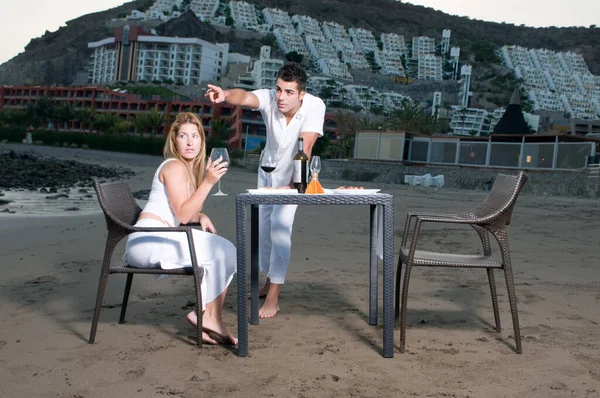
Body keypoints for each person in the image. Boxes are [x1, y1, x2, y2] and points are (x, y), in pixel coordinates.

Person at [205, 63, 326, 318]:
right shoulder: (271, 98)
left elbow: (307, 145)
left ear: (301, 94)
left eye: (289, 92)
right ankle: (266, 284)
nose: (281, 97)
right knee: (263, 233)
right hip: (267, 173)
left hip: (294, 178)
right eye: (279, 89)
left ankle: (273, 298)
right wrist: (225, 95)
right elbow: (246, 97)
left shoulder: (315, 106)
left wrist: (294, 186)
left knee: (281, 231)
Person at [124, 112, 237, 345]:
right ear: (174, 140)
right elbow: (184, 215)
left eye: (195, 136)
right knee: (223, 250)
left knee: (225, 250)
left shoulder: (185, 170)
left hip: (160, 236)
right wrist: (208, 182)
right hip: (148, 240)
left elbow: (183, 211)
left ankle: (210, 317)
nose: (189, 142)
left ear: (201, 142)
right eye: (183, 136)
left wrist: (201, 214)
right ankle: (206, 316)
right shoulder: (174, 166)